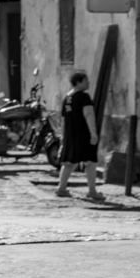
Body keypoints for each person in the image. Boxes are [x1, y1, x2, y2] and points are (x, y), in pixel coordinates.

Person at [55, 71, 104, 201]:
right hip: (83, 134)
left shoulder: (67, 98)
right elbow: (89, 115)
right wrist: (93, 132)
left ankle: (62, 188)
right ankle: (92, 191)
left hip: (70, 135)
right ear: (78, 82)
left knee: (69, 162)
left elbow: (63, 121)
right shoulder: (84, 97)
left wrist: (63, 138)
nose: (88, 82)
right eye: (86, 80)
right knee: (91, 162)